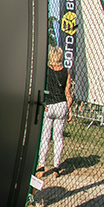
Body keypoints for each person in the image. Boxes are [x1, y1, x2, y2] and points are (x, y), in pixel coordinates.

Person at [36, 47, 73, 177]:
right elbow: (67, 92)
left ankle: (41, 165)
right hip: (61, 104)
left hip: (49, 105)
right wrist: (70, 109)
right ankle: (56, 166)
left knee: (45, 137)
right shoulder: (66, 72)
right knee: (58, 137)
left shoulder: (46, 71)